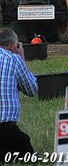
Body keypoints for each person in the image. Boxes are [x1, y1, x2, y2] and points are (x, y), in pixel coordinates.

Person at [0, 28, 38, 162]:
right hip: (6, 129)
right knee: (29, 159)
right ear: (13, 46)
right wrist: (22, 58)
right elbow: (32, 90)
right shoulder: (14, 59)